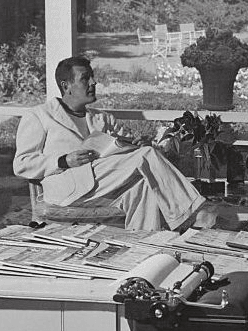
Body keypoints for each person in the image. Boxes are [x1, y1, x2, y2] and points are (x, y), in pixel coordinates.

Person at [14, 56, 210, 231]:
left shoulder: (102, 119)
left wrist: (138, 144)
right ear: (66, 86)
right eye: (85, 78)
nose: (93, 82)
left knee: (142, 187)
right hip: (66, 188)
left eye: (92, 77)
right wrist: (64, 160)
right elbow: (22, 164)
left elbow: (130, 150)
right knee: (146, 156)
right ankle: (192, 214)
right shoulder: (39, 115)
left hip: (103, 183)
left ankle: (142, 249)